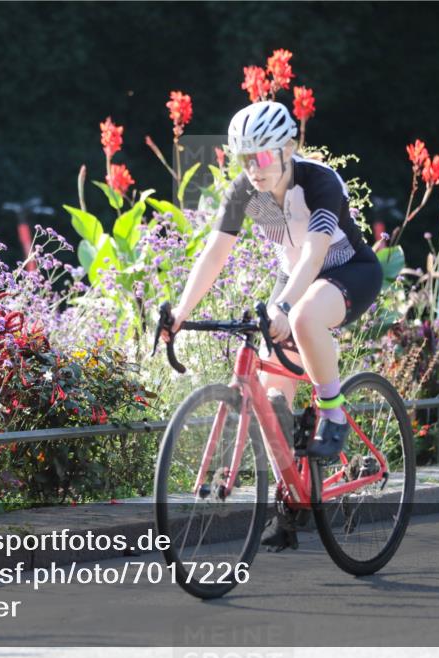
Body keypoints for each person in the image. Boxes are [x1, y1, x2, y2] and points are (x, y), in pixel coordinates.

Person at [160, 100, 384, 548]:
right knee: (271, 401)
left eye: (263, 157)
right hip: (293, 278)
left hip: (347, 271)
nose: (255, 169)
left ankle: (334, 413)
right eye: (246, 159)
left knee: (302, 317)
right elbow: (215, 253)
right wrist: (179, 314)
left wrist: (282, 305)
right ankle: (291, 504)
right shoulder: (249, 192)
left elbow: (314, 255)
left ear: (289, 147)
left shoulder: (319, 181)